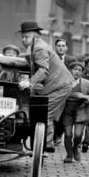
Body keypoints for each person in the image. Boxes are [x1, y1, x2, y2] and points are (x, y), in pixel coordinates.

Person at [13, 21, 75, 154]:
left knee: (45, 111)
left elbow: (43, 70)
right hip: (54, 84)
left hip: (60, 85)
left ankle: (47, 144)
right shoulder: (34, 47)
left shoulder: (39, 48)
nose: (24, 40)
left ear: (36, 36)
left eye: (27, 37)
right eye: (23, 37)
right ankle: (46, 142)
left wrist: (29, 82)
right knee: (42, 110)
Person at [60, 61, 89, 163]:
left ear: (82, 72)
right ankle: (69, 155)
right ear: (70, 71)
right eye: (75, 69)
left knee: (78, 134)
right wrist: (77, 95)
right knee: (68, 133)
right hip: (67, 110)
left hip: (81, 110)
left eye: (80, 70)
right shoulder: (64, 82)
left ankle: (75, 148)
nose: (77, 72)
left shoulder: (87, 83)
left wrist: (87, 98)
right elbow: (60, 95)